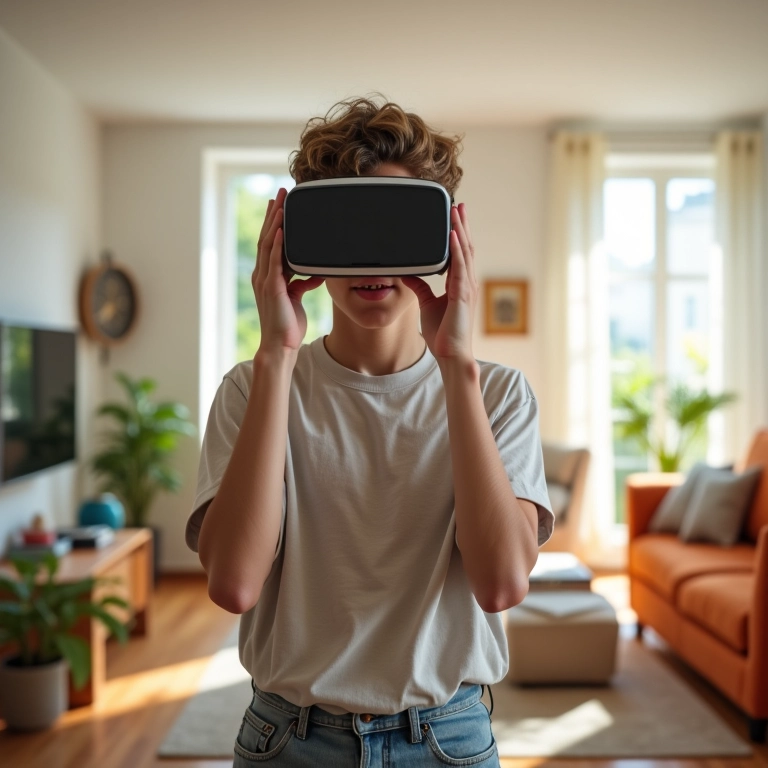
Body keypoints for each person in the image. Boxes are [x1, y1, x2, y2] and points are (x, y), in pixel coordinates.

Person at [185, 96, 555, 767]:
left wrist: (458, 367)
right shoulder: (254, 387)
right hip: (286, 738)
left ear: (445, 238)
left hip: (448, 738)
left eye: (395, 226)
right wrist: (276, 354)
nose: (371, 260)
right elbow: (234, 585)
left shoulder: (497, 393)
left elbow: (501, 584)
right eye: (352, 227)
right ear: (300, 239)